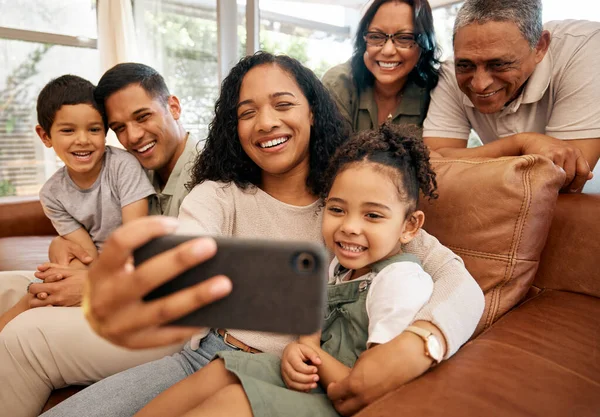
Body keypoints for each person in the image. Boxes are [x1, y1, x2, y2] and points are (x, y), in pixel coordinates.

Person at [41, 52, 484, 417]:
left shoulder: (354, 209)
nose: (266, 122)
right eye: (247, 112)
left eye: (283, 104)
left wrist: (420, 343)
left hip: (292, 382)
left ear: (313, 110)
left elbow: (459, 281)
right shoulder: (219, 196)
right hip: (206, 357)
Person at [132, 122, 451, 417]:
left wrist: (306, 352)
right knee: (221, 370)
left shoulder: (400, 282)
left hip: (339, 400)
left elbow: (366, 385)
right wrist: (302, 347)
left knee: (235, 400)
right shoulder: (340, 265)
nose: (350, 227)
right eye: (337, 209)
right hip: (314, 377)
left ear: (409, 226)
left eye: (373, 216)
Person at [0, 64, 197, 417]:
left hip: (168, 317)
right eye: (119, 127)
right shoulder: (146, 160)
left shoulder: (206, 175)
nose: (133, 136)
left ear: (174, 107)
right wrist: (64, 252)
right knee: (8, 286)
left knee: (25, 336)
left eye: (143, 117)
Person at [0, 74, 155, 330]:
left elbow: (135, 241)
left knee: (48, 288)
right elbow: (85, 253)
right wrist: (78, 275)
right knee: (61, 264)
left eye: (93, 129)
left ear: (105, 131)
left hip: (128, 267)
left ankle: (37, 302)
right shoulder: (52, 193)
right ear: (45, 136)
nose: (82, 139)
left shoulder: (123, 167)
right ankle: (37, 302)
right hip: (91, 264)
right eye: (68, 130)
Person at [423, 0, 600, 192]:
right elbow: (431, 168)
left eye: (499, 64)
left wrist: (461, 166)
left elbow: (559, 182)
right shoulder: (450, 71)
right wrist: (520, 144)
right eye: (465, 65)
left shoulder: (586, 47)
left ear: (540, 46)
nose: (479, 84)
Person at [322, 0, 440, 133]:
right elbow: (333, 151)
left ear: (425, 44)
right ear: (363, 41)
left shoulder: (437, 90)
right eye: (376, 36)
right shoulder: (338, 83)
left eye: (405, 38)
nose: (387, 50)